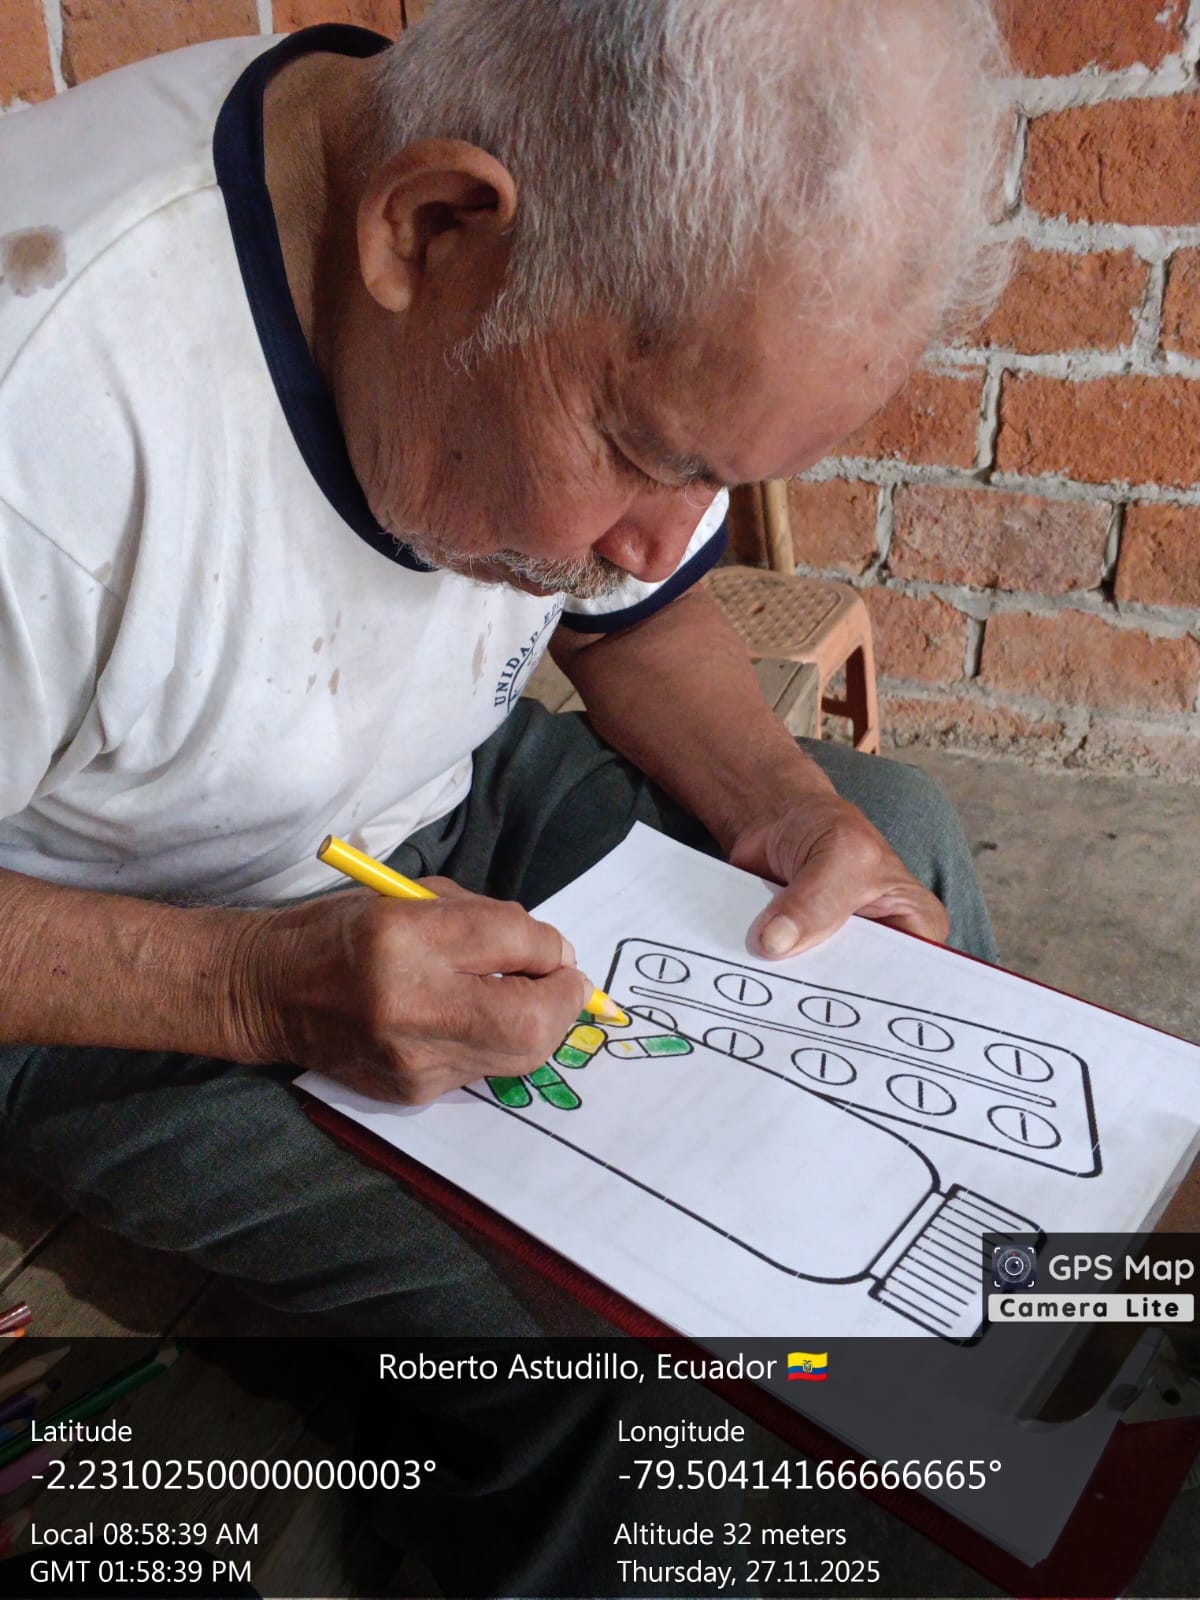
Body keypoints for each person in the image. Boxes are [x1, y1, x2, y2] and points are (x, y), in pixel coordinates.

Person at [0, 1, 1011, 1591]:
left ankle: (942, 1419)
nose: (662, 534)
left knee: (901, 862)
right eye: (645, 455)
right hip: (123, 966)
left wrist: (778, 801)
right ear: (430, 229)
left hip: (440, 801)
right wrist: (260, 987)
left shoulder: (570, 277)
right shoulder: (45, 401)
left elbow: (640, 615)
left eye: (717, 477)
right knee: (588, 1343)